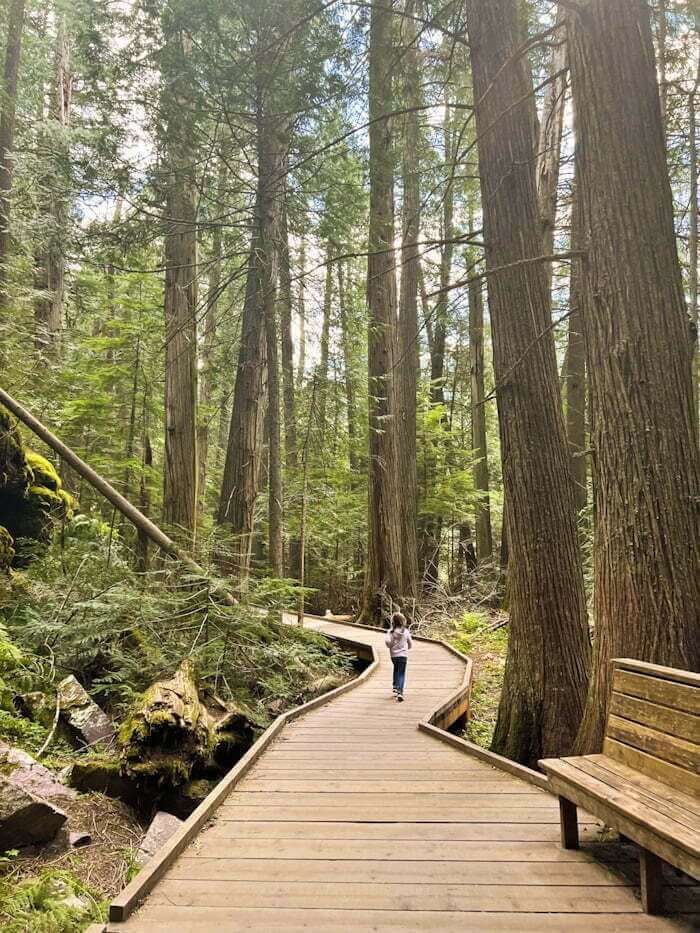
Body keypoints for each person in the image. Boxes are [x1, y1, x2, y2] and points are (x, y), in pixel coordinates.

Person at [385, 612, 412, 702]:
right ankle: (400, 692)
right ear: (402, 621)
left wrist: (393, 645)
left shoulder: (390, 632)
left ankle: (395, 686)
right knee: (401, 673)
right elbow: (410, 644)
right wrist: (406, 648)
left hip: (393, 656)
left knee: (396, 669)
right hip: (403, 655)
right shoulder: (406, 632)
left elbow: (388, 644)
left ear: (393, 621)